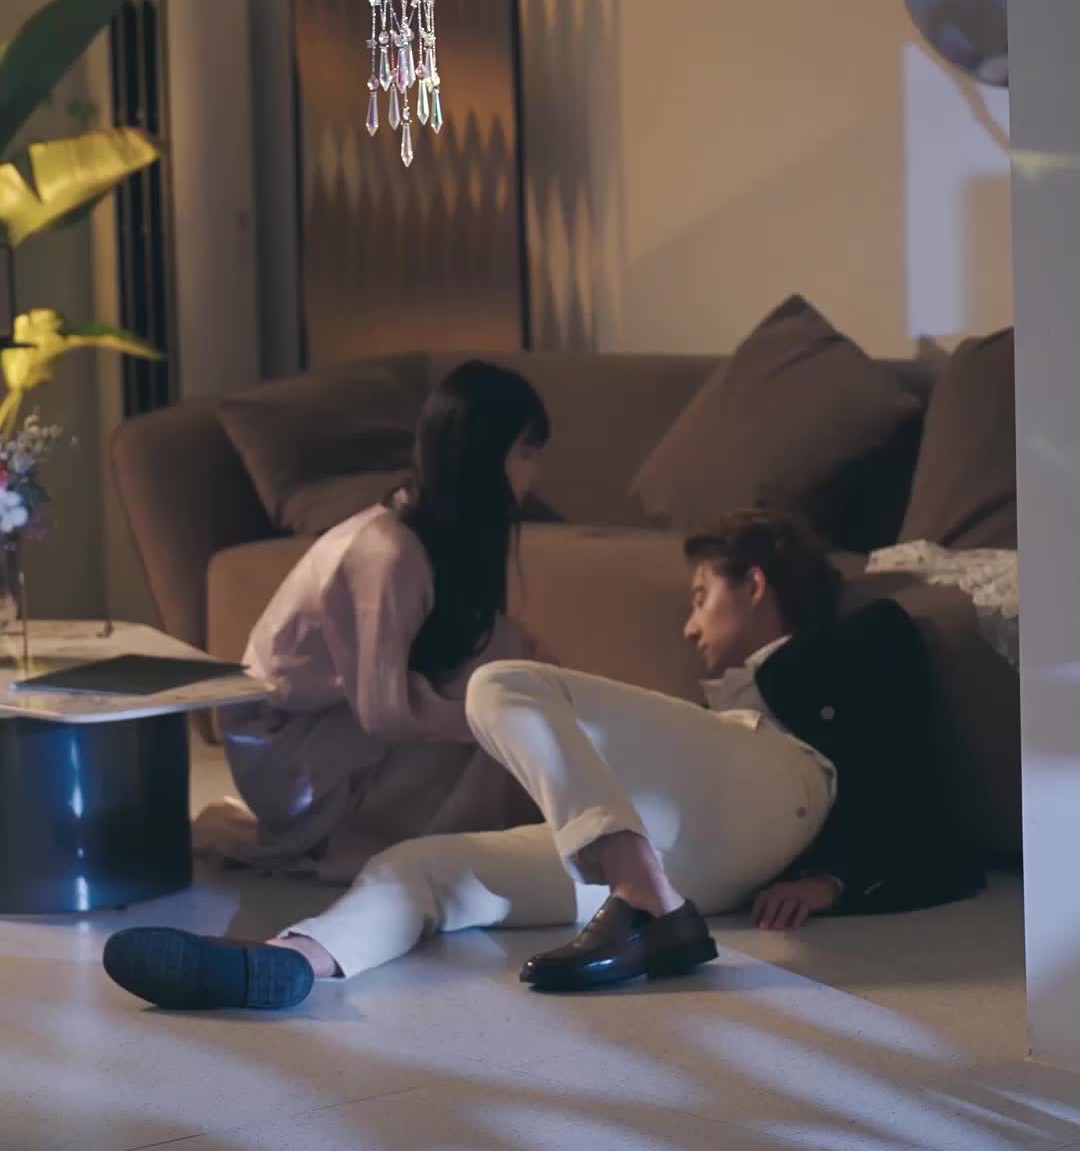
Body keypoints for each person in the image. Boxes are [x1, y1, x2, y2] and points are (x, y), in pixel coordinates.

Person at [105, 508, 985, 1011]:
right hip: (700, 868)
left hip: (783, 782)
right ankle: (291, 963)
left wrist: (836, 876)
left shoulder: (860, 639)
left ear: (755, 582)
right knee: (423, 867)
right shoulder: (709, 718)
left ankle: (647, 902)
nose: (688, 626)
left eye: (700, 597)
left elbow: (907, 777)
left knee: (502, 685)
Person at [103, 359, 552, 1011]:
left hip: (335, 721)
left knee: (507, 663)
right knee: (494, 702)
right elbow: (385, 714)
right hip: (286, 744)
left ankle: (441, 857)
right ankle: (416, 858)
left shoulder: (435, 541)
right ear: (483, 453)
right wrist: (489, 720)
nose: (534, 474)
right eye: (526, 454)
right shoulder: (386, 551)